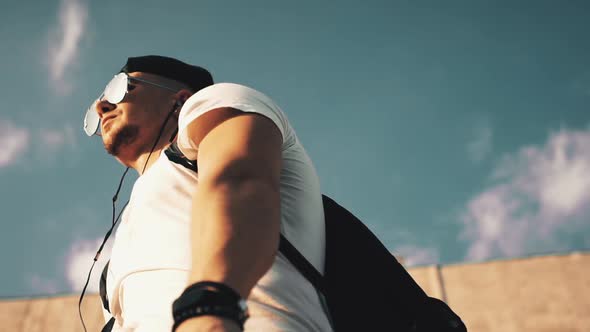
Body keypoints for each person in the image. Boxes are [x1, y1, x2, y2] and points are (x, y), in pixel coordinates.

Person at [85, 55, 333, 332]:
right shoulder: (120, 252)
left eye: (122, 87)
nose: (101, 105)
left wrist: (210, 305)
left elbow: (238, 181)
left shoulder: (215, 104)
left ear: (179, 99)